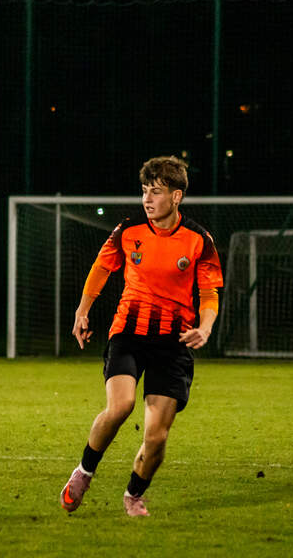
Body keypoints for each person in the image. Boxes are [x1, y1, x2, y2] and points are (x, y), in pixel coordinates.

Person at [60, 155, 223, 518]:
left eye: (156, 192)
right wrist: (82, 310)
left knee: (156, 436)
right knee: (120, 406)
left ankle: (134, 494)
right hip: (129, 332)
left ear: (176, 196)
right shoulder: (128, 230)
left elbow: (209, 291)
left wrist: (206, 326)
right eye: (144, 191)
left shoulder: (198, 240)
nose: (147, 199)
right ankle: (84, 472)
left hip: (173, 342)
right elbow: (102, 267)